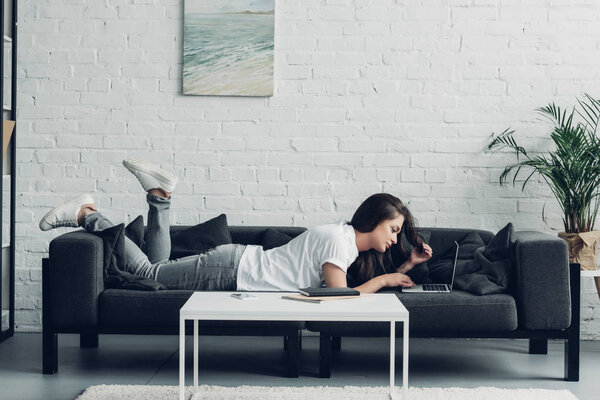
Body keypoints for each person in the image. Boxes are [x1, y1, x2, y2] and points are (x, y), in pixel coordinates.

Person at [39, 159, 433, 293]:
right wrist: (383, 281)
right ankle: (87, 214)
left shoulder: (344, 242)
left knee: (156, 273)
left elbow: (354, 287)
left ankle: (160, 196)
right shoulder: (339, 242)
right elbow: (341, 299)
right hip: (232, 271)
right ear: (373, 220)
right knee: (149, 272)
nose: (394, 238)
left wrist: (405, 268)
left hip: (235, 265)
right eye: (394, 230)